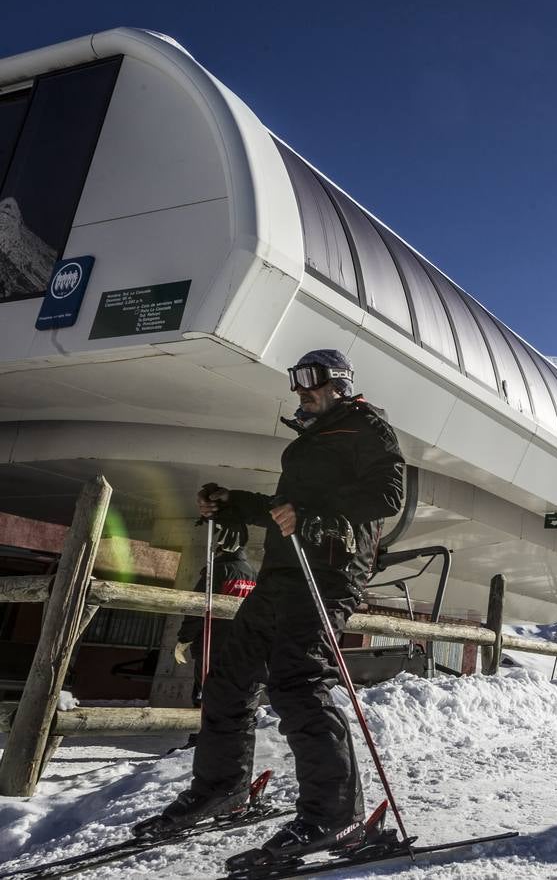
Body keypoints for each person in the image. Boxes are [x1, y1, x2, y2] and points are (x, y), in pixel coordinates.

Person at [134, 349, 406, 861]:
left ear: (341, 385)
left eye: (314, 383)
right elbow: (287, 510)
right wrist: (235, 502)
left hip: (329, 573)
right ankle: (222, 788)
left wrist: (318, 514)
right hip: (283, 571)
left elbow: (388, 495)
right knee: (228, 677)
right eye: (297, 384)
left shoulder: (367, 428)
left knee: (298, 681)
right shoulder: (311, 440)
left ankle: (335, 816)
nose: (302, 391)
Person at [171, 525, 256, 749]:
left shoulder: (216, 571)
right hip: (239, 648)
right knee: (231, 695)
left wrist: (185, 638)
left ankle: (198, 741)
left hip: (212, 645)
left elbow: (199, 607)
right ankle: (224, 739)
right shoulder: (251, 573)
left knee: (203, 693)